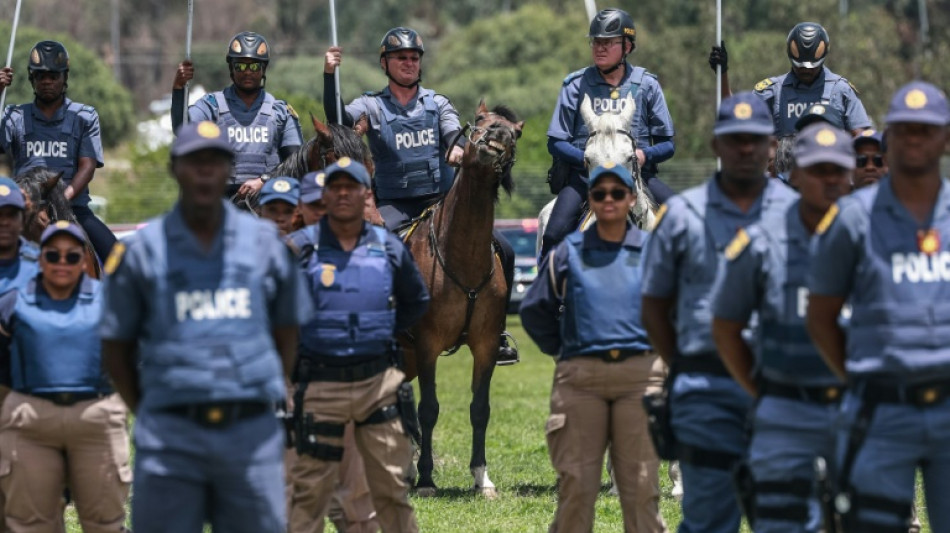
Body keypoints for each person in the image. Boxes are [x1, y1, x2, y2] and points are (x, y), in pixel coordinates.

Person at [99, 120, 312, 533]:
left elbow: (288, 331)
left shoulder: (266, 247)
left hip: (249, 434)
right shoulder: (139, 253)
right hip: (170, 437)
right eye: (194, 161)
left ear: (228, 169)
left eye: (215, 162)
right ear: (175, 168)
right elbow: (115, 346)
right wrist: (149, 409)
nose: (205, 172)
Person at [640, 92, 797, 533]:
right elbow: (653, 306)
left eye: (755, 139)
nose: (745, 148)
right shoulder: (682, 217)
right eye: (734, 139)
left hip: (782, 389)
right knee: (709, 519)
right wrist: (687, 363)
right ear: (716, 145)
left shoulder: (800, 215)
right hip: (706, 390)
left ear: (772, 147)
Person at [323, 28, 519, 365]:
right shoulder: (370, 105)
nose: (409, 63)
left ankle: (496, 331)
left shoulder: (437, 103)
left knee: (505, 248)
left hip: (439, 203)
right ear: (385, 63)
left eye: (414, 58)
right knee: (377, 251)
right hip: (394, 205)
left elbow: (453, 135)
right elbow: (338, 122)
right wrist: (329, 75)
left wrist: (458, 151)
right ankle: (381, 325)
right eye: (401, 58)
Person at [806, 81, 950, 532]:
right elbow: (820, 314)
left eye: (925, 130)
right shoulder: (852, 218)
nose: (914, 139)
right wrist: (859, 373)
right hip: (880, 410)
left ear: (945, 137)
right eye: (903, 129)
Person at [710, 123, 853, 532]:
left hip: (856, 408)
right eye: (816, 169)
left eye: (837, 169)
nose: (828, 179)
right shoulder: (757, 243)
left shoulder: (873, 239)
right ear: (796, 173)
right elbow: (725, 327)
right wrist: (763, 388)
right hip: (785, 409)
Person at [520, 162, 667, 533]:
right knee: (576, 491)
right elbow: (536, 309)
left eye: (618, 193)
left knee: (642, 492)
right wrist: (567, 348)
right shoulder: (567, 252)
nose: (609, 200)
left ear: (632, 198)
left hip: (640, 380)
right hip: (581, 380)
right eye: (600, 193)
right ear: (590, 199)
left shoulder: (654, 252)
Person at [284, 157, 428, 533]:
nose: (344, 193)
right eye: (336, 187)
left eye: (352, 187)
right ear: (326, 195)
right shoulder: (297, 249)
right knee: (307, 497)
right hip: (318, 386)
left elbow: (417, 301)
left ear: (367, 195)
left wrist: (379, 328)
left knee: (392, 492)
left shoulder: (390, 248)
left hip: (377, 386)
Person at [0, 221, 129, 532]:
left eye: (72, 256)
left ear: (84, 261)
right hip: (31, 418)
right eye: (52, 255)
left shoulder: (111, 301)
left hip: (95, 417)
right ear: (39, 258)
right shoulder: (13, 301)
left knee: (105, 523)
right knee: (32, 523)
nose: (62, 262)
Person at [283, 168, 380, 533]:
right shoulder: (282, 256)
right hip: (296, 391)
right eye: (314, 205)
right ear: (301, 209)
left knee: (355, 504)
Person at [541, 7, 676, 258]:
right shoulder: (575, 85)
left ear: (627, 47)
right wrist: (586, 158)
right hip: (585, 179)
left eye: (607, 43)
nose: (599, 48)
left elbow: (668, 144)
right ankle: (547, 294)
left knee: (686, 219)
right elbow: (555, 142)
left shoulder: (647, 85)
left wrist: (644, 156)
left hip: (639, 177)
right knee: (552, 233)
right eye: (595, 42)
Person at [0, 41, 116, 262]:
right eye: (40, 76)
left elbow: (88, 166)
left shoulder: (85, 116)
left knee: (120, 258)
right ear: (31, 78)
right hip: (23, 210)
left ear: (65, 78)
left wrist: (61, 199)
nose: (47, 81)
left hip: (73, 208)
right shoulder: (13, 116)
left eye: (54, 76)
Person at [172, 31, 303, 202]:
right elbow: (182, 128)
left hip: (268, 199)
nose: (247, 72)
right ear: (231, 69)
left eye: (254, 66)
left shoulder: (281, 112)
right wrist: (179, 88)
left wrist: (264, 180)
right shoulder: (212, 106)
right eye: (240, 66)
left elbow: (296, 162)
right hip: (220, 201)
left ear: (263, 69)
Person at [709, 23, 872, 137]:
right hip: (782, 180)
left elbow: (863, 140)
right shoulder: (773, 91)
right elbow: (735, 116)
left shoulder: (841, 90)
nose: (805, 70)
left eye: (811, 67)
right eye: (800, 65)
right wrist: (723, 73)